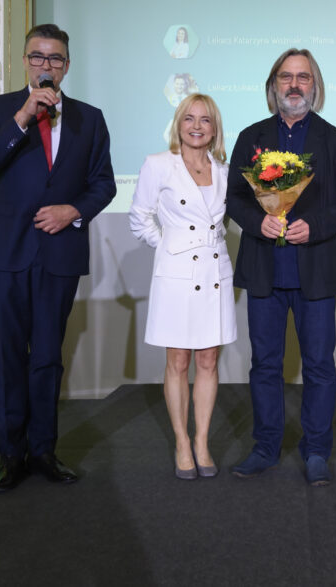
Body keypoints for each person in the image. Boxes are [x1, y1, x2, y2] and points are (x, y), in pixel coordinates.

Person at [0, 24, 116, 493]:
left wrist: (73, 210)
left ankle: (44, 450)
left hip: (59, 251)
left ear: (66, 66)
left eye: (54, 59)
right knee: (10, 355)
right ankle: (10, 455)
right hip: (5, 250)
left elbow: (104, 184)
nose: (45, 65)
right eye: (37, 56)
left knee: (48, 356)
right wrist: (23, 117)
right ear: (25, 61)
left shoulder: (90, 118)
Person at [226, 48, 336, 486]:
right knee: (264, 364)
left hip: (315, 270)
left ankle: (317, 450)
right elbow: (234, 198)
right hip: (264, 270)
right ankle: (265, 447)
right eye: (286, 77)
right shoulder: (251, 137)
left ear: (314, 86)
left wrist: (316, 226)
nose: (294, 85)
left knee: (319, 365)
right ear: (273, 86)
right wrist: (258, 222)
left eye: (303, 77)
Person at [129, 93, 236, 480]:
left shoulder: (224, 170)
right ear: (178, 123)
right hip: (176, 275)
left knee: (208, 360)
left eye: (205, 120)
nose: (196, 126)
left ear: (215, 128)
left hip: (215, 272)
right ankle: (181, 441)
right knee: (178, 361)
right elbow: (139, 218)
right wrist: (171, 247)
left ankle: (202, 441)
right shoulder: (158, 165)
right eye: (189, 118)